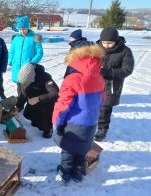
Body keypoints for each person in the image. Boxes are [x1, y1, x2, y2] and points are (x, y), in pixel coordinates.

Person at [52, 41, 105, 183]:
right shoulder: (99, 78)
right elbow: (102, 100)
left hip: (73, 124)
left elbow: (63, 104)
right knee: (82, 148)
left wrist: (57, 122)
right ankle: (77, 172)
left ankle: (65, 172)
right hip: (90, 123)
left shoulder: (72, 79)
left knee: (68, 149)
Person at [94, 27, 134, 141]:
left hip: (111, 84)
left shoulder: (125, 51)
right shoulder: (96, 49)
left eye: (109, 43)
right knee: (93, 105)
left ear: (116, 41)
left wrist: (108, 72)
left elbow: (127, 69)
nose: (106, 45)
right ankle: (91, 125)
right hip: (95, 82)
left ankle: (102, 129)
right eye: (104, 42)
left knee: (105, 108)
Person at [16, 62, 59, 138]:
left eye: (27, 83)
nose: (25, 85)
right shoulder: (23, 79)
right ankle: (36, 122)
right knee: (28, 115)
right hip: (33, 100)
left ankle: (48, 129)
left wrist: (38, 99)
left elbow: (55, 93)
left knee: (44, 120)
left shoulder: (45, 77)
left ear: (32, 78)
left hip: (45, 101)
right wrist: (18, 106)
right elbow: (23, 94)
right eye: (23, 84)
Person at [8, 15, 43, 98]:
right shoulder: (16, 38)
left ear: (28, 27)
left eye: (24, 29)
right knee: (19, 86)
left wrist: (32, 63)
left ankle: (29, 103)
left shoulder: (34, 38)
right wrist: (11, 60)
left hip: (27, 67)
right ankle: (20, 104)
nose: (22, 31)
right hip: (17, 66)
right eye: (20, 29)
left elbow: (39, 53)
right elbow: (12, 51)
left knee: (27, 88)